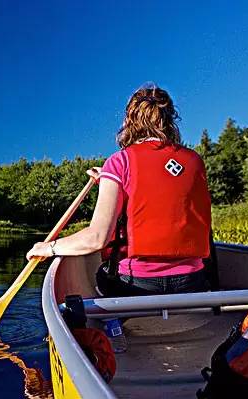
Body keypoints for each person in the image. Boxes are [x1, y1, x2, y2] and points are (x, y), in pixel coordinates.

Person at [26, 83, 211, 296]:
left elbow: (97, 238)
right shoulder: (195, 161)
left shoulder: (120, 161)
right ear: (170, 120)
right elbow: (162, 189)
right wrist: (106, 179)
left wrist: (47, 248)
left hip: (136, 284)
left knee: (102, 276)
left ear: (129, 121)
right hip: (192, 281)